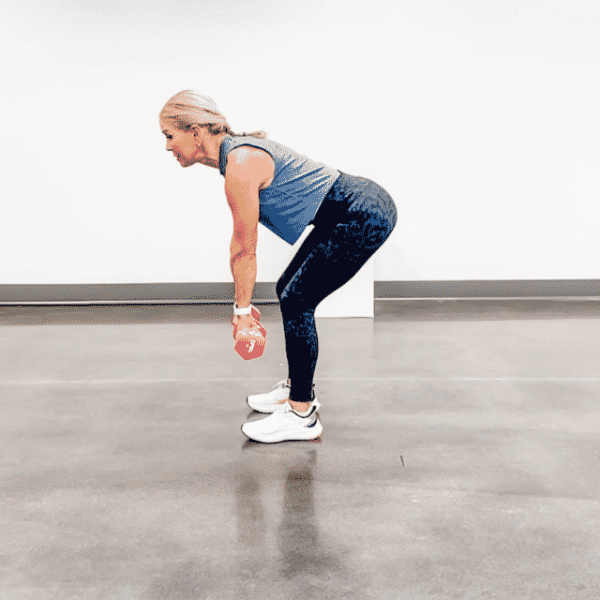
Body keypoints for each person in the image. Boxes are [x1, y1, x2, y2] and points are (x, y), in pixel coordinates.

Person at [159, 90, 397, 444]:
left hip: (362, 213)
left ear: (195, 131)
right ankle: (296, 388)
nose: (167, 146)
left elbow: (244, 249)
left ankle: (302, 413)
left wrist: (242, 310)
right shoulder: (235, 156)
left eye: (169, 136)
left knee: (299, 300)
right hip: (351, 208)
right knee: (290, 290)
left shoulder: (239, 163)